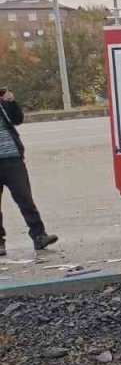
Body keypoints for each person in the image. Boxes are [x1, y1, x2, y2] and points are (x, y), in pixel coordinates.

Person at [0, 89, 57, 256]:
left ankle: (39, 236)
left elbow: (17, 120)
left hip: (12, 160)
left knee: (25, 198)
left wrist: (10, 102)